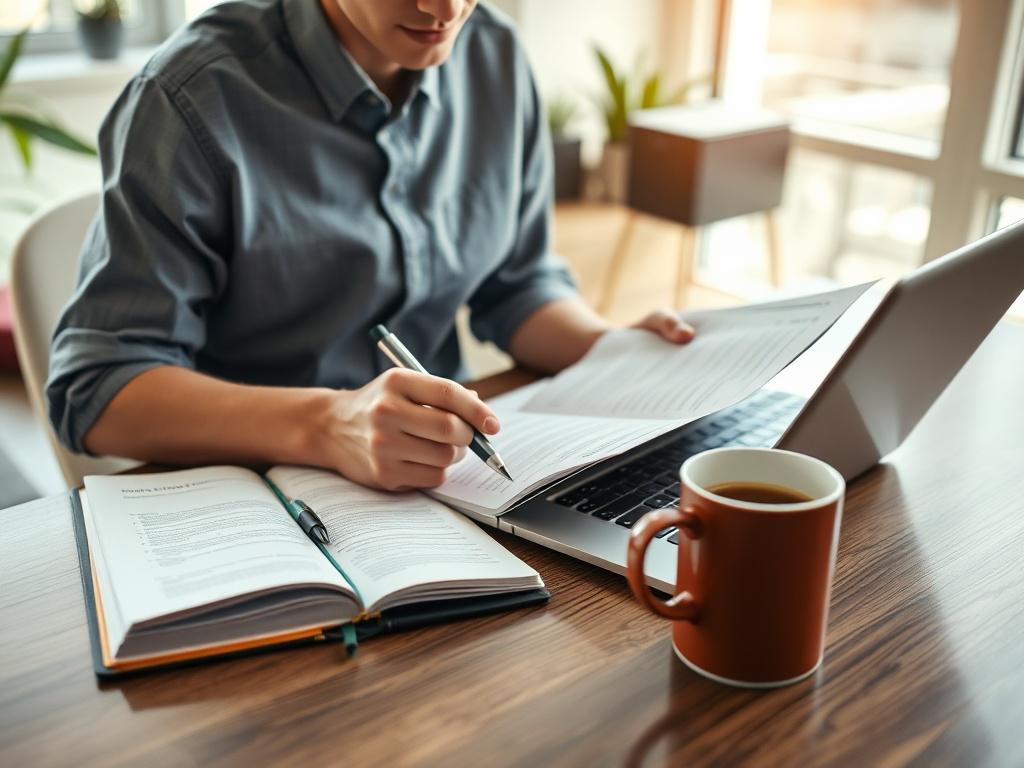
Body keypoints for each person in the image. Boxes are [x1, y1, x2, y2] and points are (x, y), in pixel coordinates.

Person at [46, 0, 694, 492]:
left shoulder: (493, 56)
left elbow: (517, 285)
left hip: (450, 482)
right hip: (256, 501)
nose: (443, 11)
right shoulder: (190, 98)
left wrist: (612, 351)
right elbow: (98, 391)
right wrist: (328, 425)